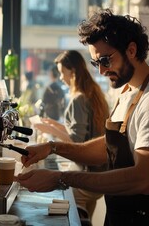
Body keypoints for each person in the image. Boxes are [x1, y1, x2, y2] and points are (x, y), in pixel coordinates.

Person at [16, 8, 149, 226]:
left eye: (105, 60)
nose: (101, 71)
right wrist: (52, 147)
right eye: (95, 63)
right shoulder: (128, 92)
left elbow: (143, 179)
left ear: (132, 50)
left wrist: (61, 178)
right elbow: (107, 149)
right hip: (123, 215)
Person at [33, 50, 109, 219]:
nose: (60, 78)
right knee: (86, 220)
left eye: (61, 73)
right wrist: (54, 124)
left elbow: (76, 141)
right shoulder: (93, 94)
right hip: (100, 174)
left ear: (72, 71)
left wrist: (50, 131)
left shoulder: (78, 99)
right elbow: (82, 131)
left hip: (87, 176)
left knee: (71, 217)